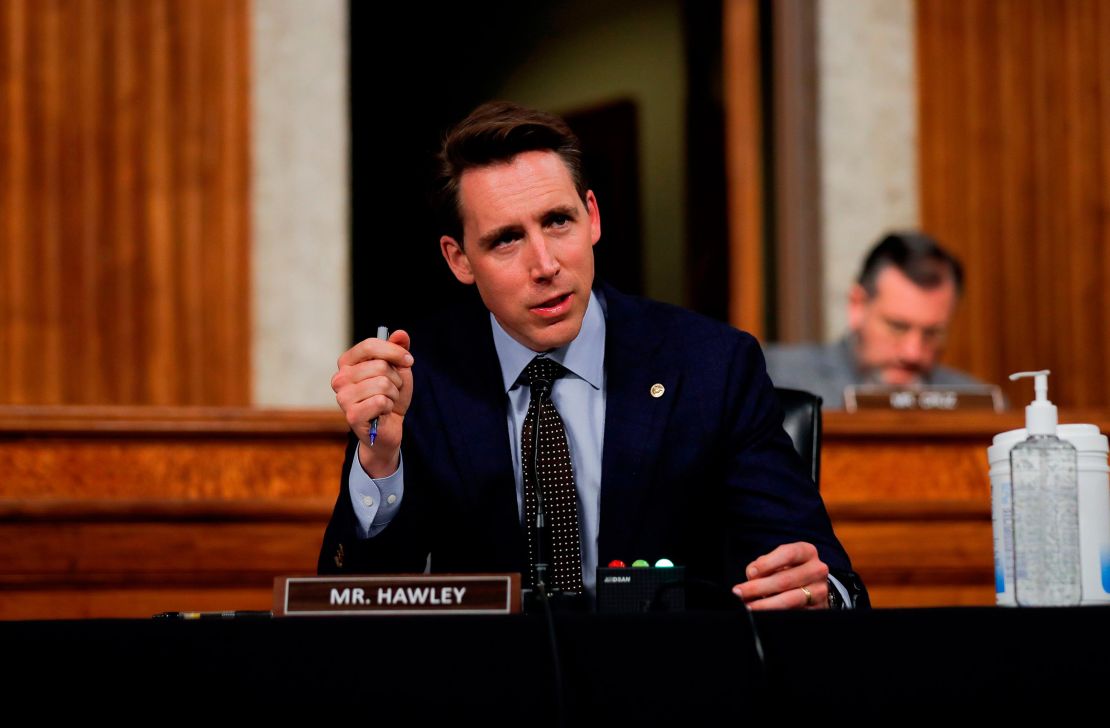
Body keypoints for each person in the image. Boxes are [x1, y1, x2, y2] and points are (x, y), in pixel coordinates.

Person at [319, 101, 867, 610]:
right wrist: (380, 462)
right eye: (506, 239)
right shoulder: (422, 380)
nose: (545, 264)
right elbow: (351, 608)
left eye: (558, 222)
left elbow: (830, 579)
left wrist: (818, 592)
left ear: (593, 217)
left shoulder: (710, 366)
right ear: (460, 259)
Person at [765, 232, 983, 409]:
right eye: (897, 327)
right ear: (857, 306)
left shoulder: (978, 405)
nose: (912, 353)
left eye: (932, 333)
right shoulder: (773, 379)